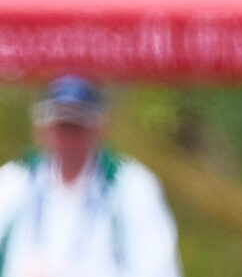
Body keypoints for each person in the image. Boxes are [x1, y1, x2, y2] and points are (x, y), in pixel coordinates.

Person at [0, 76, 180, 277]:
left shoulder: (131, 186)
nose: (67, 139)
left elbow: (158, 268)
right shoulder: (13, 181)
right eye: (61, 126)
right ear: (42, 129)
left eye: (76, 127)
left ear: (97, 128)